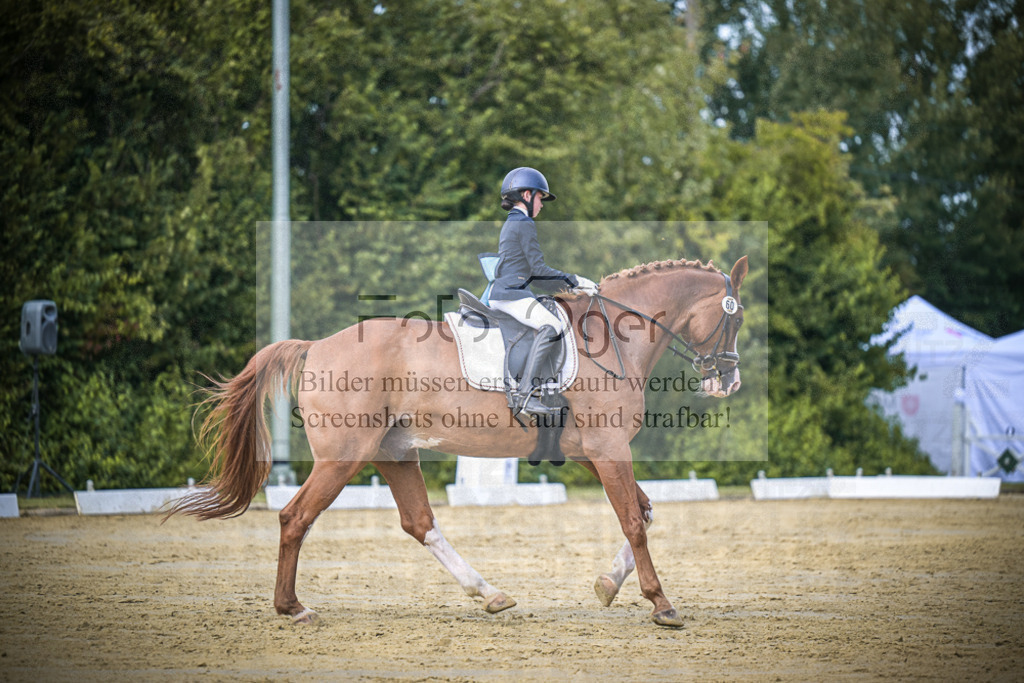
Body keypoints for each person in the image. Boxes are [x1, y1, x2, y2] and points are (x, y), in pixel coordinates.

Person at [488, 167, 598, 417]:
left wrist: (571, 288)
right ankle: (525, 395)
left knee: (551, 315)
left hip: (510, 290)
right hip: (510, 294)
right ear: (527, 195)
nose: (542, 204)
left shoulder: (513, 223)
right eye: (540, 197)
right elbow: (538, 269)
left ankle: (546, 387)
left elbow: (535, 276)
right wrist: (575, 279)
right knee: (552, 325)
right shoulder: (524, 223)